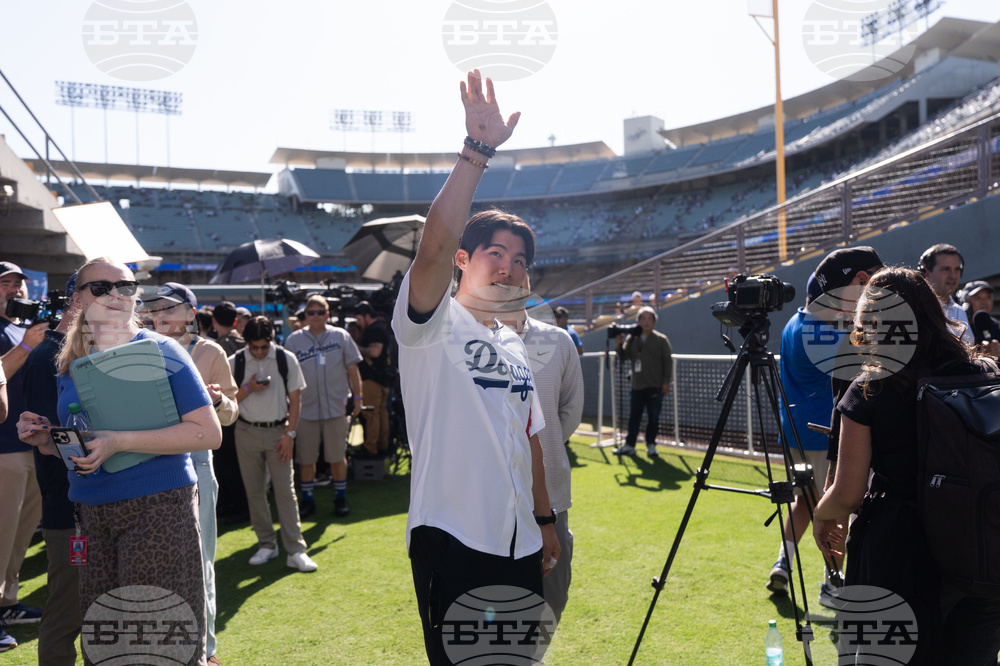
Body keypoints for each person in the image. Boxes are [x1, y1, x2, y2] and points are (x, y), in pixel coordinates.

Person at [391, 69, 558, 665]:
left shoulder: (514, 342)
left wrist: (544, 520)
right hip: (454, 539)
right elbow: (431, 247)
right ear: (463, 260)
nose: (509, 266)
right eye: (495, 253)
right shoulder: (431, 324)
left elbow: (530, 439)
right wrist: (476, 153)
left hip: (521, 542)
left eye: (520, 259)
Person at [16, 256, 222, 666]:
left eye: (125, 286)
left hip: (158, 510)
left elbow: (208, 433)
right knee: (105, 647)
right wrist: (49, 439)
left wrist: (120, 441)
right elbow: (87, 442)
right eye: (101, 287)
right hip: (90, 515)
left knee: (160, 646)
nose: (115, 294)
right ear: (78, 299)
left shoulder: (162, 350)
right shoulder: (68, 361)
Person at [814, 267, 1000, 664]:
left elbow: (848, 493)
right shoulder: (985, 371)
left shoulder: (871, 387)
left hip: (902, 550)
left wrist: (821, 513)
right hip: (983, 541)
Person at [143, 282, 239, 666]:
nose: (160, 314)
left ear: (191, 313)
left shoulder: (210, 351)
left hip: (197, 463)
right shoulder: (136, 348)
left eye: (170, 308)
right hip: (146, 464)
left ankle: (207, 649)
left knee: (201, 562)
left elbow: (232, 412)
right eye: (155, 308)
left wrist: (218, 399)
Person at [765, 273, 844, 608]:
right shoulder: (820, 330)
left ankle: (782, 563)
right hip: (821, 433)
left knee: (804, 501)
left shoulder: (793, 324)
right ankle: (832, 582)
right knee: (835, 507)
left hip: (794, 431)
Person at [20, 274, 82, 664]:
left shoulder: (79, 350)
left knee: (98, 611)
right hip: (69, 510)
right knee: (67, 611)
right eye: (102, 292)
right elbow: (49, 437)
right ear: (77, 300)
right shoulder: (48, 356)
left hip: (94, 504)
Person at [229, 316, 318, 572]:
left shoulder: (285, 358)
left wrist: (290, 435)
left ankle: (296, 550)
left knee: (285, 492)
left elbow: (296, 399)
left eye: (263, 346)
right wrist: (248, 388)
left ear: (272, 340)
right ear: (246, 342)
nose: (259, 351)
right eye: (254, 347)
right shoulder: (234, 361)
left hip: (279, 433)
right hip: (245, 431)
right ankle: (267, 544)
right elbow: (227, 402)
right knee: (254, 491)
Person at [519, 300, 584, 636]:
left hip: (553, 496)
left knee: (553, 597)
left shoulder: (558, 340)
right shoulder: (469, 342)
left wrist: (545, 447)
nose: (507, 275)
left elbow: (570, 410)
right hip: (493, 501)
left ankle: (532, 656)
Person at [0, 261, 48, 649]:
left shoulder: (25, 326)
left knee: (20, 534)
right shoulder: (20, 335)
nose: (15, 289)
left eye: (19, 283)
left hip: (34, 444)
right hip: (3, 448)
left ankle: (8, 602)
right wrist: (28, 345)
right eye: (5, 283)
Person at [284, 294, 362, 518]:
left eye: (320, 312)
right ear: (305, 315)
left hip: (336, 406)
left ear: (327, 314)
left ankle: (340, 497)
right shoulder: (293, 340)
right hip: (305, 409)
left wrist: (358, 398)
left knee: (337, 456)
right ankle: (308, 500)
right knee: (306, 459)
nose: (316, 316)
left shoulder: (340, 335)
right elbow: (287, 377)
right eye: (311, 312)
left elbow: (353, 369)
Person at [612, 306, 673, 457]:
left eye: (649, 318)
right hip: (637, 385)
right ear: (638, 321)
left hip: (655, 386)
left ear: (654, 321)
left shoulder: (661, 339)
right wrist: (618, 344)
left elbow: (668, 362)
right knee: (634, 417)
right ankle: (629, 445)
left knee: (653, 417)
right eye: (643, 318)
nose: (646, 322)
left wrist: (666, 382)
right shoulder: (632, 338)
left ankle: (651, 445)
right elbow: (624, 357)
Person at [355, 301, 392, 456]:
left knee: (371, 414)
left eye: (359, 319)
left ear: (367, 316)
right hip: (380, 379)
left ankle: (371, 448)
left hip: (372, 380)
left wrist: (354, 347)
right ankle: (382, 446)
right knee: (380, 413)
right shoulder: (379, 328)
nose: (358, 323)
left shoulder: (375, 329)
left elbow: (375, 352)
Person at [918, 243, 974, 345]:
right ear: (926, 273)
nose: (953, 276)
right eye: (946, 269)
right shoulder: (917, 310)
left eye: (957, 269)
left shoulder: (960, 311)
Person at [960, 280, 1000, 357]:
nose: (984, 302)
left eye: (988, 297)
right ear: (966, 302)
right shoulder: (960, 327)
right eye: (978, 298)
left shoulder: (996, 326)